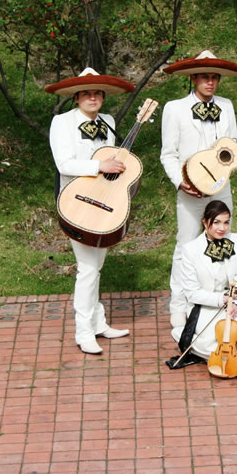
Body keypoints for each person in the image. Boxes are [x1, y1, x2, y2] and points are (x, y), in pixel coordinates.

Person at [160, 50, 237, 330]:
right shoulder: (174, 108)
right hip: (190, 190)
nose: (210, 82)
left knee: (223, 241)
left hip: (221, 188)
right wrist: (180, 182)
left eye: (214, 77)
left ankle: (225, 299)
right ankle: (179, 304)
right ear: (193, 78)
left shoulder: (227, 105)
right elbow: (168, 154)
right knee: (185, 245)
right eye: (204, 77)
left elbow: (230, 144)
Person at [46, 67, 134, 355]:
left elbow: (114, 159)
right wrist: (99, 166)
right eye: (86, 93)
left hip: (104, 201)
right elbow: (64, 164)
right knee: (86, 268)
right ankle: (83, 331)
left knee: (96, 266)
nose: (92, 97)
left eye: (97, 92)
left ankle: (98, 322)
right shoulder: (61, 122)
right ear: (76, 97)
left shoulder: (107, 121)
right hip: (76, 203)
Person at [167, 200, 237, 368]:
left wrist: (234, 303)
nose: (222, 228)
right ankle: (183, 335)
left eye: (226, 222)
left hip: (229, 305)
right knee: (215, 349)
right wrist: (222, 299)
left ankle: (205, 346)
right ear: (205, 222)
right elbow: (191, 292)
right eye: (216, 222)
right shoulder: (190, 249)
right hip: (202, 306)